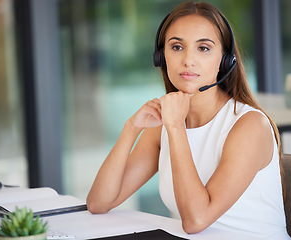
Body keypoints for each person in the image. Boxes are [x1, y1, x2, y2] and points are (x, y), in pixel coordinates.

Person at [87, 1, 290, 239]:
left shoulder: (250, 125)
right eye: (176, 47)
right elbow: (99, 203)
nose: (188, 60)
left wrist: (175, 127)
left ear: (225, 61)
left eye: (203, 48)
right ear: (161, 57)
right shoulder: (164, 123)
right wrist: (131, 129)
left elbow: (196, 220)